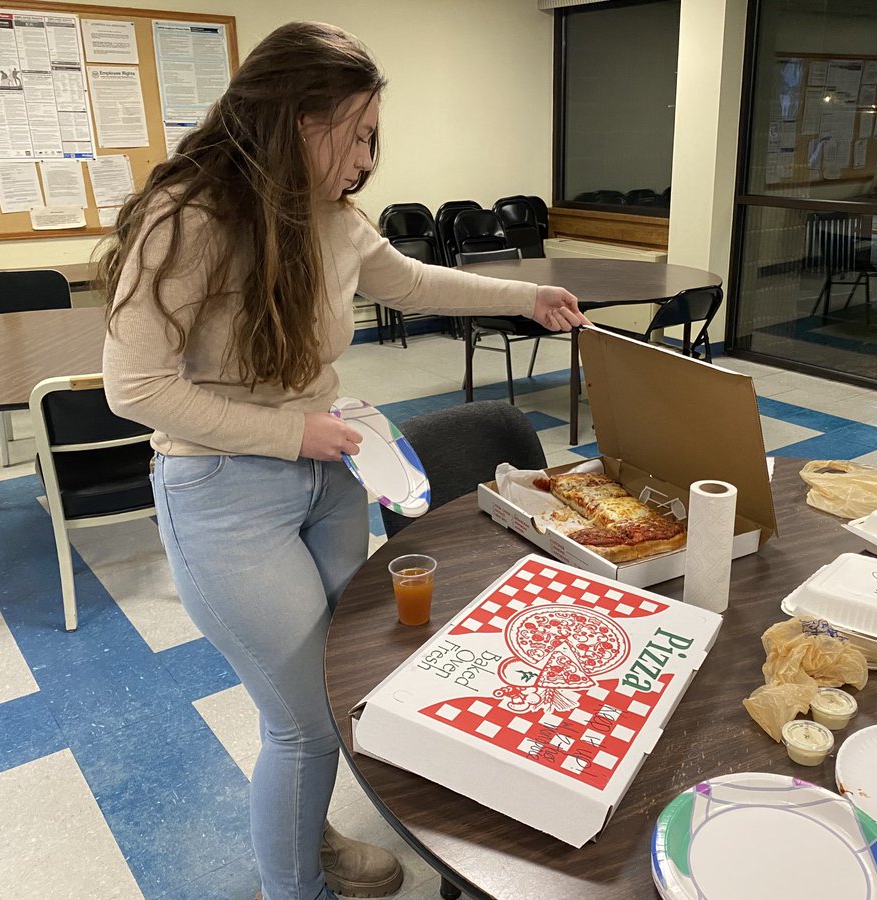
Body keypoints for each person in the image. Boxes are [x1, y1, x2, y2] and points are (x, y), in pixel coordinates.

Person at [100, 21, 588, 900]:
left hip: (327, 480)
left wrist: (527, 295)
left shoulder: (329, 217)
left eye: (373, 136)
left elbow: (416, 283)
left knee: (332, 689)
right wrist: (292, 434)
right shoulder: (189, 220)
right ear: (296, 118)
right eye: (357, 133)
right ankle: (297, 888)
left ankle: (311, 840)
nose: (367, 158)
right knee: (301, 725)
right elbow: (133, 389)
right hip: (222, 491)